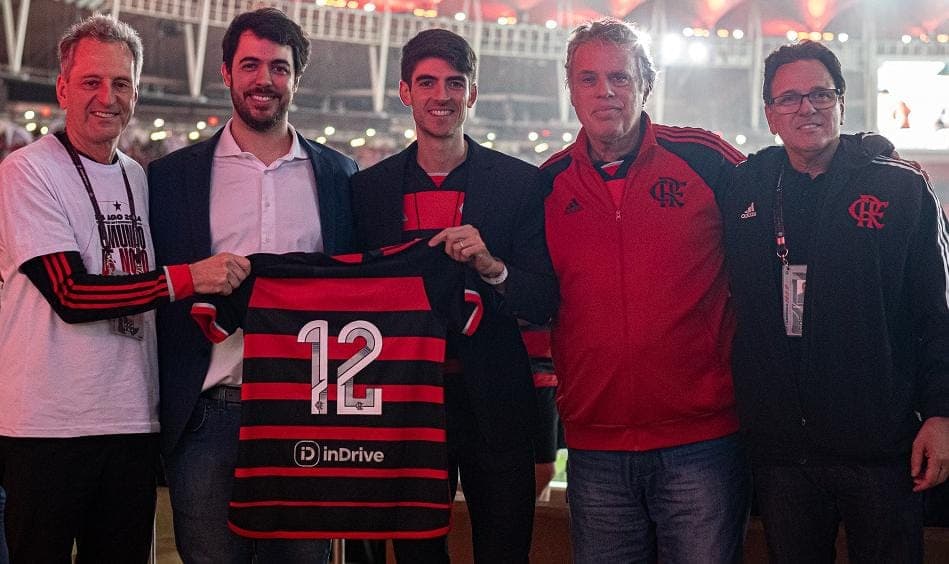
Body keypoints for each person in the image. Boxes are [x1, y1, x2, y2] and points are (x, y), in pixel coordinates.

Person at [0, 15, 245, 563]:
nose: (107, 97)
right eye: (91, 81)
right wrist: (190, 278)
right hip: (47, 426)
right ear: (62, 86)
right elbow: (71, 295)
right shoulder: (27, 172)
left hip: (133, 420)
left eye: (122, 83)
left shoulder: (139, 175)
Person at [721, 39, 949, 563]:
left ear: (842, 102)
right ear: (770, 114)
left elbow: (936, 313)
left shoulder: (900, 189)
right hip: (782, 452)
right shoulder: (746, 187)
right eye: (791, 98)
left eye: (821, 94)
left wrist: (940, 412)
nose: (808, 107)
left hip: (879, 449)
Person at [148, 8, 357, 563]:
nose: (264, 79)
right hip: (209, 412)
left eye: (279, 67)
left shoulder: (341, 176)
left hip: (307, 410)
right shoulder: (171, 178)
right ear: (225, 72)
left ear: (296, 78)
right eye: (250, 65)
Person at [540, 18, 750, 563]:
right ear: (571, 89)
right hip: (596, 444)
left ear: (646, 84)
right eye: (588, 79)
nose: (605, 92)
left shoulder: (704, 158)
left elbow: (785, 202)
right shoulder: (546, 183)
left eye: (619, 77)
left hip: (700, 442)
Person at [350, 28, 558, 563]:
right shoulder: (367, 190)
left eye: (453, 82)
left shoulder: (520, 184)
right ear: (404, 91)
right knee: (417, 553)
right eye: (427, 82)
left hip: (496, 399)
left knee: (505, 548)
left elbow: (543, 299)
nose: (440, 95)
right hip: (404, 402)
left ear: (472, 93)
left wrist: (493, 268)